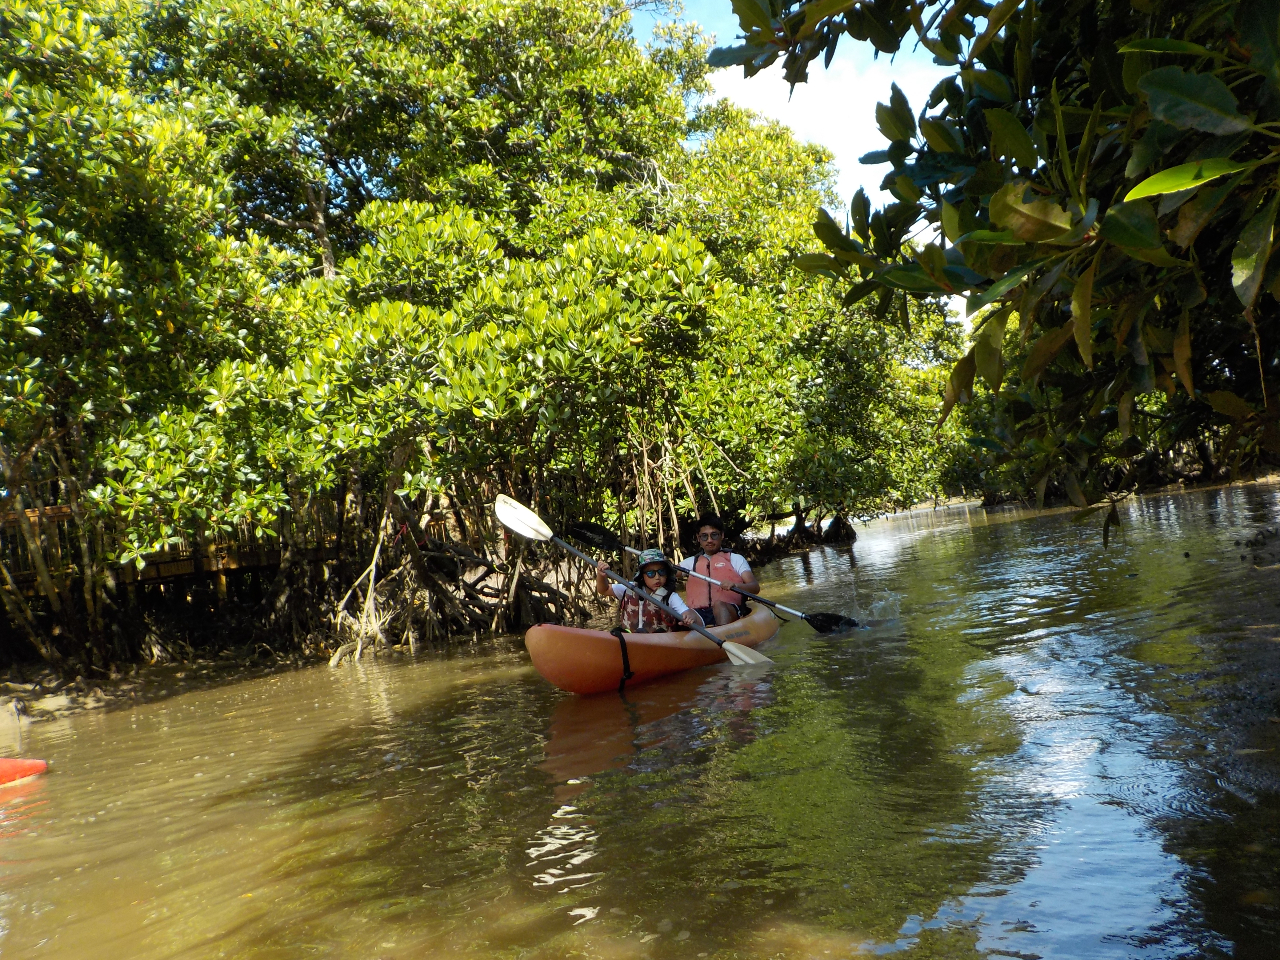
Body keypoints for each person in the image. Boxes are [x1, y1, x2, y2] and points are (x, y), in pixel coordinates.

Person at [678, 513, 760, 626]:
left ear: (722, 535)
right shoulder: (690, 562)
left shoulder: (735, 559)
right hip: (700, 612)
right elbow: (668, 574)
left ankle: (722, 632)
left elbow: (755, 587)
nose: (709, 540)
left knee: (719, 605)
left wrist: (736, 586)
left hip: (729, 608)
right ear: (698, 538)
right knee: (685, 615)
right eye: (704, 536)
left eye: (714, 535)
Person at [596, 548, 703, 633]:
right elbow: (604, 590)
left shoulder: (671, 597)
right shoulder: (629, 588)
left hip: (659, 641)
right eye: (651, 573)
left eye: (661, 572)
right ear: (642, 576)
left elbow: (685, 611)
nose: (657, 577)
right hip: (631, 639)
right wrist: (601, 575)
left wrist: (689, 616)